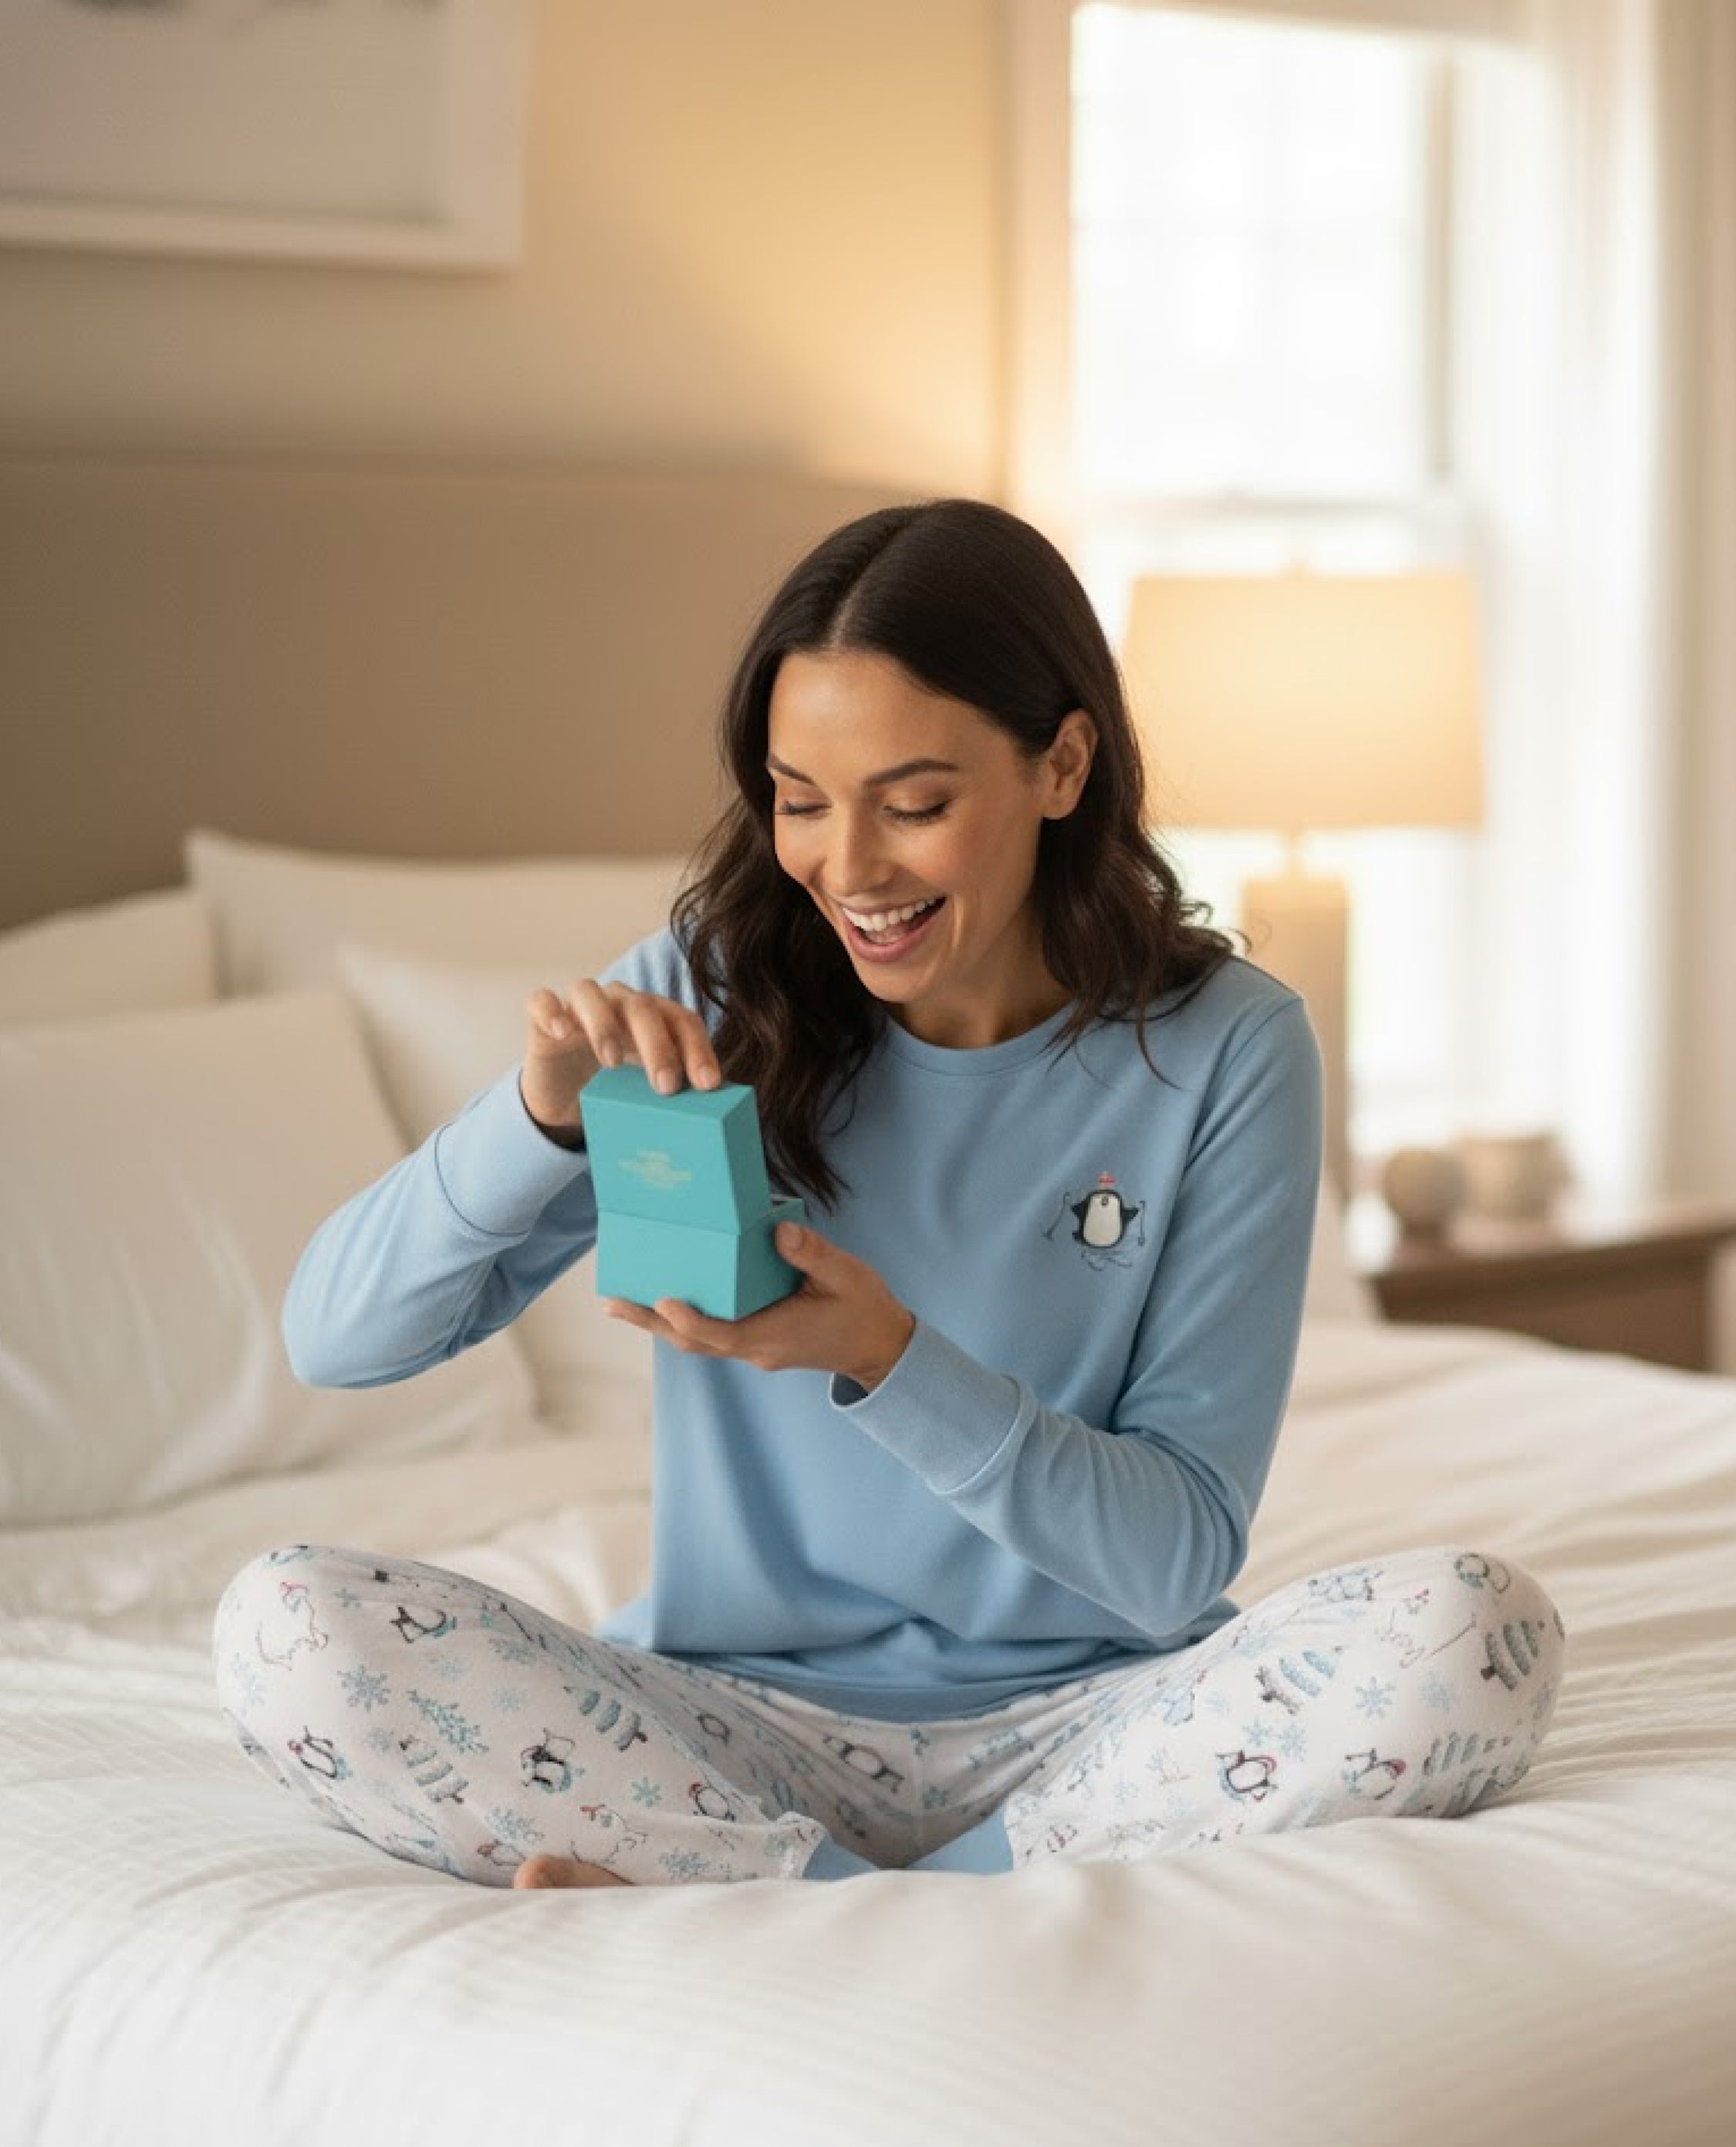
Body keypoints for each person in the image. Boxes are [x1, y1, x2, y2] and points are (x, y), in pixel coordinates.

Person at [213, 499, 1565, 1889]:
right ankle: (885, 1892)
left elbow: (1171, 1562)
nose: (847, 871)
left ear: (1061, 764)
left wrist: (884, 1357)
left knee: (1475, 1630)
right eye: (800, 802)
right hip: (729, 1715)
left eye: (912, 805)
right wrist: (538, 1117)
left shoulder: (1224, 1045)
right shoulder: (710, 994)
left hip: (1094, 1721)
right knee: (287, 1626)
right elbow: (335, 1340)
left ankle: (793, 1894)